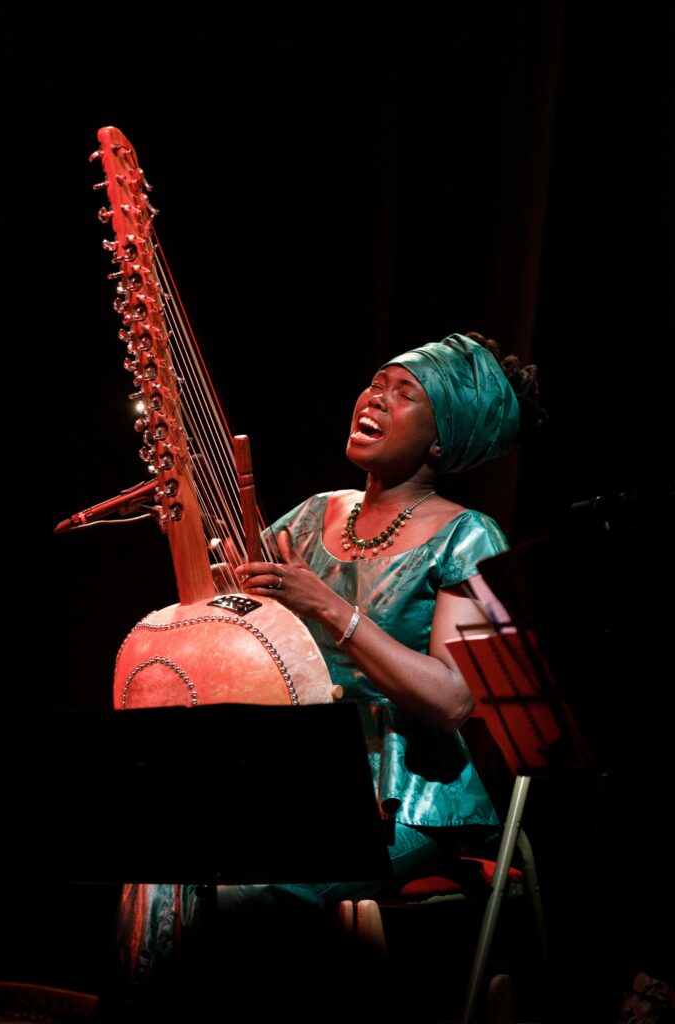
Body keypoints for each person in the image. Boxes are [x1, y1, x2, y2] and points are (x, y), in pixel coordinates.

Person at [96, 331, 545, 1024]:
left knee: (246, 889)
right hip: (299, 781)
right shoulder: (312, 517)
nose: (375, 399)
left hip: (403, 797)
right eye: (375, 384)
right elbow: (230, 615)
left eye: (405, 394)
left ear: (440, 437)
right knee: (162, 868)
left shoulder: (467, 536)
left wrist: (332, 609)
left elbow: (454, 699)